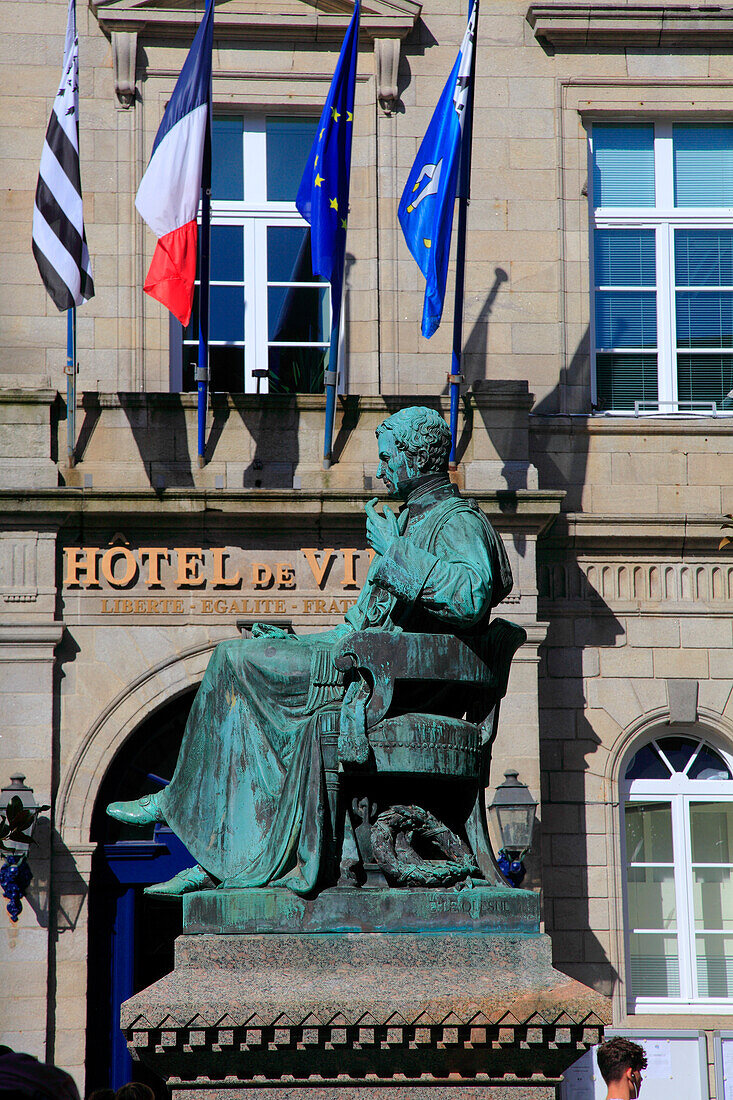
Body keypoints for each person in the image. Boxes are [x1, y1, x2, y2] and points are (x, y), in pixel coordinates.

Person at [107, 406, 512, 897]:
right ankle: (229, 856)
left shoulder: (456, 521)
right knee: (245, 661)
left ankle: (190, 811)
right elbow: (356, 629)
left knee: (233, 661)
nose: (380, 471)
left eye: (387, 459)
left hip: (398, 688)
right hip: (372, 670)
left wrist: (394, 552)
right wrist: (295, 643)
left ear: (412, 458)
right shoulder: (412, 523)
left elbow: (471, 596)